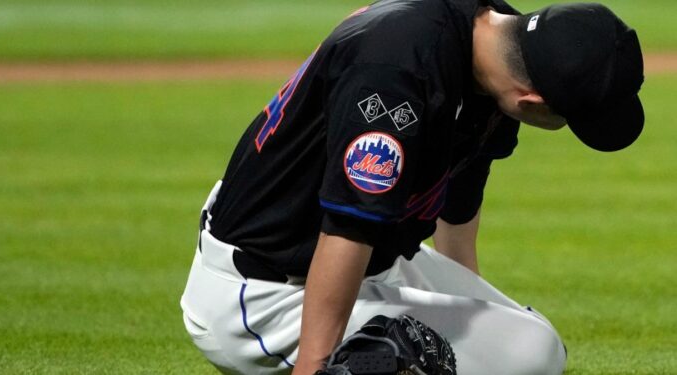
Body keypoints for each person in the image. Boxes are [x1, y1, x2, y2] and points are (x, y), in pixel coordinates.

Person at [180, 0, 645, 374]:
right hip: (265, 293)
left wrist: (462, 303)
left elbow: (460, 197)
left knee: (532, 345)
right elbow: (347, 228)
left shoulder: (493, 41)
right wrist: (313, 366)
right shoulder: (397, 71)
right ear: (533, 101)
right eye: (568, 119)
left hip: (371, 262)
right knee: (521, 353)